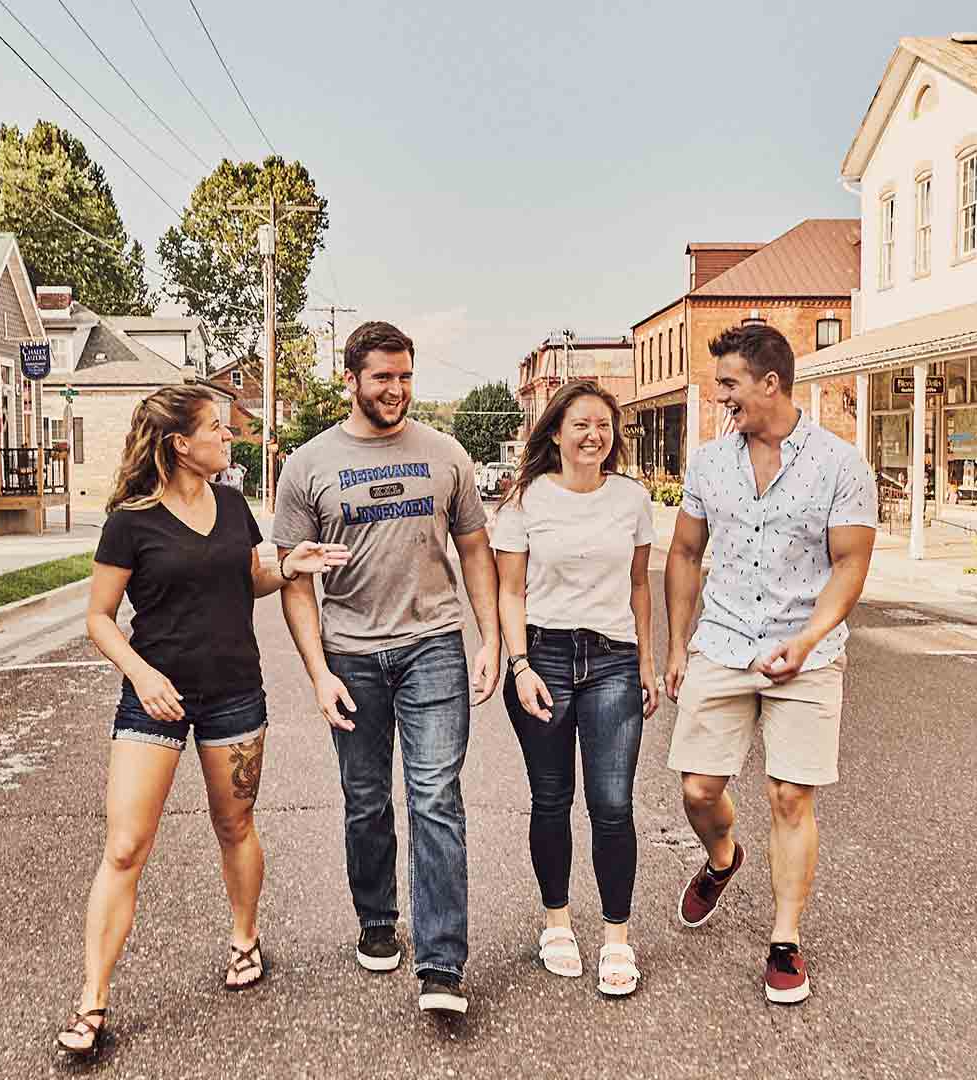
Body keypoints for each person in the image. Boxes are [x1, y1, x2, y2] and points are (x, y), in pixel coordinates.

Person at [56, 385, 348, 1058]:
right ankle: (91, 1004)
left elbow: (244, 577)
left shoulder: (231, 504)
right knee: (126, 847)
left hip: (234, 693)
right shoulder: (130, 521)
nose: (228, 437)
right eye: (217, 429)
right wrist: (142, 674)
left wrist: (288, 566)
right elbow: (99, 618)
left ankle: (245, 942)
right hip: (155, 696)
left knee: (234, 824)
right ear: (180, 445)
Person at [273, 321, 502, 1016]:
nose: (397, 390)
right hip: (350, 653)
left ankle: (441, 963)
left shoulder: (446, 455)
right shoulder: (308, 465)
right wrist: (317, 672)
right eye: (383, 378)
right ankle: (378, 919)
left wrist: (489, 637)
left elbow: (475, 552)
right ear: (351, 380)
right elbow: (292, 577)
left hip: (434, 644)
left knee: (436, 798)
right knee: (366, 799)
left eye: (405, 377)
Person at [662, 324, 875, 1006]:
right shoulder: (708, 464)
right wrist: (675, 646)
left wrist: (809, 641)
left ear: (770, 383)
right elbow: (686, 555)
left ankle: (784, 939)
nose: (720, 397)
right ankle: (724, 860)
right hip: (722, 643)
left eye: (728, 384)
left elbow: (851, 565)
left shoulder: (841, 465)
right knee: (698, 789)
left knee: (790, 796)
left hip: (806, 653)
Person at [490, 379, 657, 997]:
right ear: (556, 432)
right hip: (545, 658)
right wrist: (520, 664)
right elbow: (511, 590)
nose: (594, 435)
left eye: (604, 426)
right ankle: (556, 922)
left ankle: (617, 936)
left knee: (612, 804)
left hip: (614, 658)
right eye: (581, 424)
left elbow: (640, 586)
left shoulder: (631, 500)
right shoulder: (525, 502)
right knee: (552, 798)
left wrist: (645, 660)